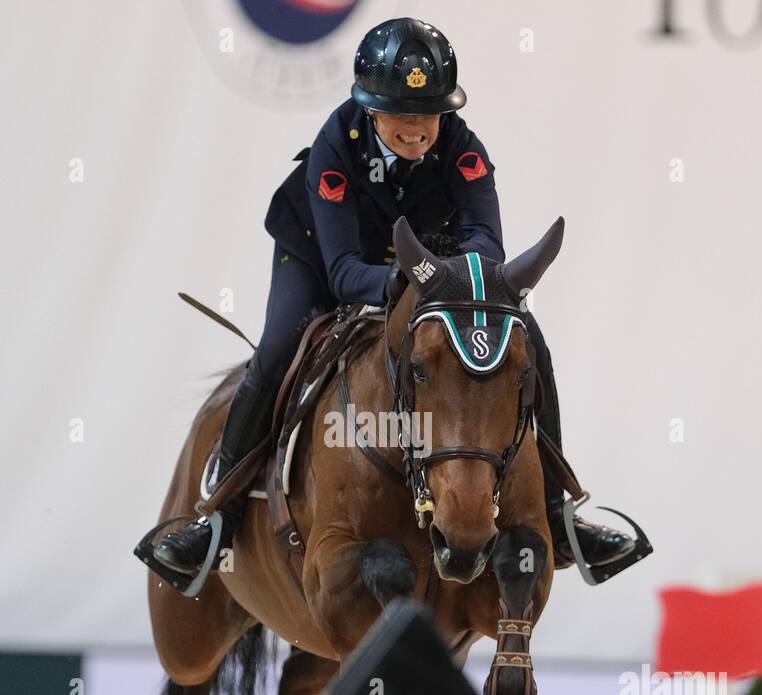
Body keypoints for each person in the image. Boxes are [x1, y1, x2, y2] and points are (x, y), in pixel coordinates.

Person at [149, 17, 633, 580]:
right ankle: (218, 515)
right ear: (370, 109)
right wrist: (408, 281)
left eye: (427, 113)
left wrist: (445, 278)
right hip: (318, 260)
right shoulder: (336, 146)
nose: (416, 128)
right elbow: (343, 269)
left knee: (528, 336)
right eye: (401, 113)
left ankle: (559, 509)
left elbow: (486, 243)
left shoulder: (462, 147)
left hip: (428, 269)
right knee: (280, 344)